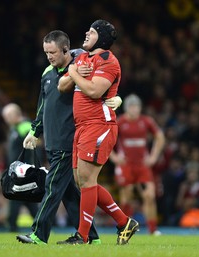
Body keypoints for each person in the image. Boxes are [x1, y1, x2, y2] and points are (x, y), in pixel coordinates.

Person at [16, 30, 122, 244]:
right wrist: (34, 131)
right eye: (46, 52)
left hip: (70, 139)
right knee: (70, 194)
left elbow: (104, 85)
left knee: (53, 186)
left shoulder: (83, 64)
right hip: (52, 140)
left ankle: (38, 234)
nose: (49, 57)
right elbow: (42, 106)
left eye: (52, 52)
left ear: (65, 49)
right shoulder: (47, 72)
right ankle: (91, 237)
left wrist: (118, 98)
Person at [56, 19, 139, 245]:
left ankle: (82, 236)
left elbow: (94, 91)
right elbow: (61, 86)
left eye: (91, 32)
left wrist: (73, 72)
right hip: (82, 126)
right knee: (81, 180)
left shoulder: (109, 62)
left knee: (87, 178)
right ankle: (124, 222)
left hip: (99, 124)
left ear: (101, 38)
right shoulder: (82, 58)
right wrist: (73, 72)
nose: (86, 33)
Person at [109, 94, 165, 235]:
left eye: (137, 106)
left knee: (149, 196)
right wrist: (114, 157)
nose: (135, 110)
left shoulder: (146, 121)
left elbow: (160, 137)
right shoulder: (120, 122)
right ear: (127, 108)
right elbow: (107, 138)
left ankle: (153, 230)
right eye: (132, 107)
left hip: (142, 165)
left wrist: (153, 156)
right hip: (126, 164)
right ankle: (126, 227)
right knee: (126, 196)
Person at [1, 103, 39, 232]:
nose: (5, 119)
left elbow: (34, 145)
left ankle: (12, 227)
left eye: (7, 116)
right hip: (18, 170)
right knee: (27, 200)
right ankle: (42, 225)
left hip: (22, 171)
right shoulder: (15, 128)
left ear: (15, 114)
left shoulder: (24, 126)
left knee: (15, 197)